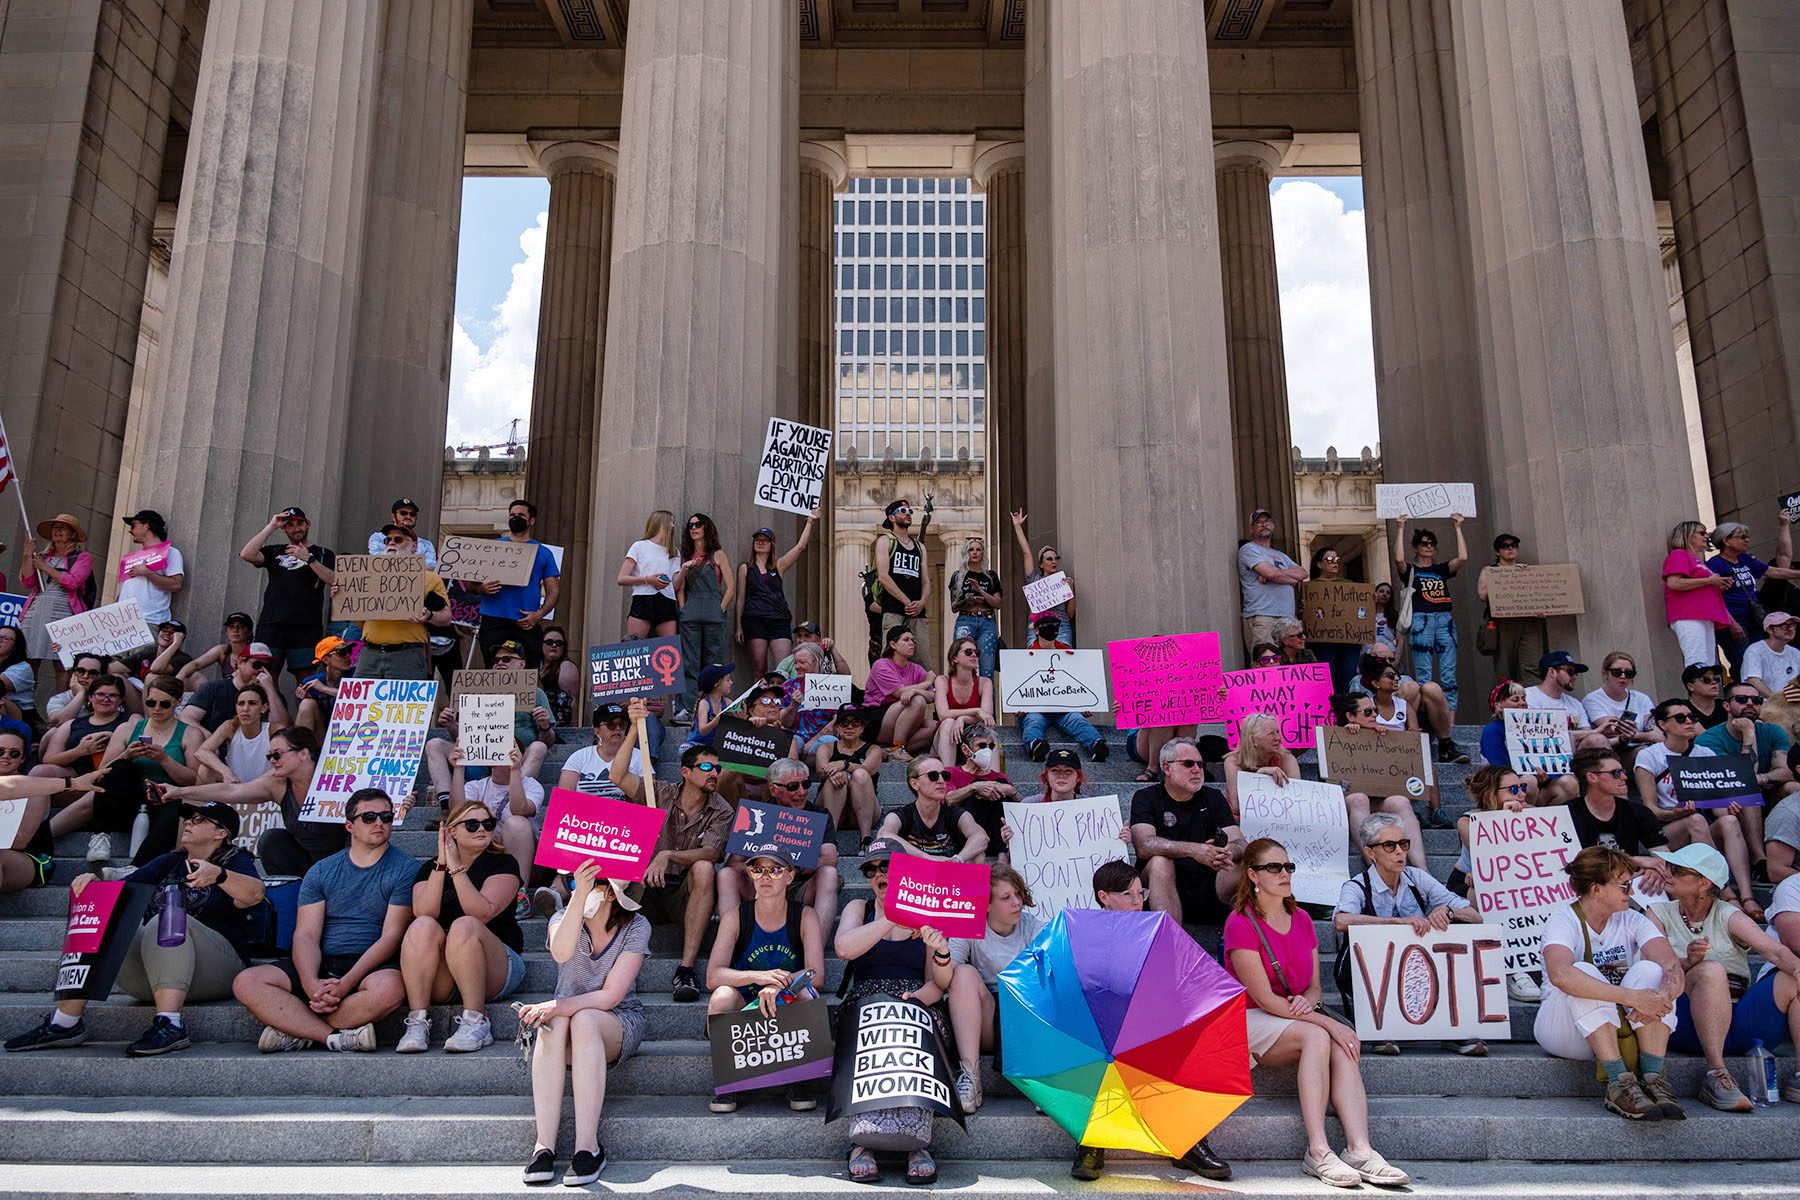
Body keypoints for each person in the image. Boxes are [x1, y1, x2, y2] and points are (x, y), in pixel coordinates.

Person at [4, 799, 268, 1056]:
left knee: (166, 918)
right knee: (103, 914)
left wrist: (219, 875)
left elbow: (255, 894)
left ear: (221, 832)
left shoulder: (235, 860)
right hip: (155, 975)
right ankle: (65, 1022)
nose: (188, 823)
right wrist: (93, 882)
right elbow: (123, 891)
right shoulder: (169, 862)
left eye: (199, 820)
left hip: (218, 970)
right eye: (188, 818)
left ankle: (170, 1024)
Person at [1224, 837, 1410, 1187]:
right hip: (1248, 1019)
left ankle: (1359, 1149)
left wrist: (1309, 1003)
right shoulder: (1240, 922)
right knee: (1319, 1034)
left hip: (1293, 1013)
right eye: (1274, 868)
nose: (1284, 873)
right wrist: (1322, 1019)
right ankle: (1318, 1150)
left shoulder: (1303, 918)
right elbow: (1263, 998)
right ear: (1253, 875)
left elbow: (1313, 986)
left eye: (1288, 866)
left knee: (1341, 1044)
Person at [1067, 860, 1234, 1182]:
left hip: (1153, 1017)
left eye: (1139, 892)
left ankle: (1189, 1141)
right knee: (1101, 1046)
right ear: (1103, 896)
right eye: (1127, 894)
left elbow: (1180, 978)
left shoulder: (1157, 928)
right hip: (1100, 1022)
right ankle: (1090, 1141)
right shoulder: (1084, 931)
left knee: (1182, 1040)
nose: (1137, 900)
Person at [232, 787, 415, 1053]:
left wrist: (346, 983)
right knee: (246, 981)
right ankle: (331, 1036)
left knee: (391, 989)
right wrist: (310, 983)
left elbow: (391, 936)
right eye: (369, 817)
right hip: (322, 960)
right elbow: (306, 934)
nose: (379, 822)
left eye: (386, 817)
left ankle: (296, 1027)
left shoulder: (406, 869)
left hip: (370, 963)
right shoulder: (322, 870)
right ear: (350, 825)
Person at [518, 861, 649, 1187]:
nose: (581, 887)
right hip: (564, 1022)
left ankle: (587, 1147)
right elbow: (561, 953)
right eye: (575, 882)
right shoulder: (562, 918)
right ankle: (543, 1146)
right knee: (559, 1022)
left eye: (591, 883)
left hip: (616, 1021)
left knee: (583, 1018)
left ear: (610, 892)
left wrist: (557, 1005)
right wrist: (577, 899)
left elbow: (610, 997)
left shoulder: (637, 925)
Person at [1532, 846, 1686, 1121]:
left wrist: (1661, 996)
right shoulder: (1563, 919)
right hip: (1564, 1030)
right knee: (1581, 972)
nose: (1631, 891)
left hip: (1619, 1020)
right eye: (1624, 885)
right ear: (1596, 889)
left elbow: (1672, 966)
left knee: (1652, 970)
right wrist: (1632, 998)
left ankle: (1652, 1077)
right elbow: (1560, 975)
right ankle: (1619, 1083)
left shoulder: (1632, 918)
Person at [834, 838, 953, 1185]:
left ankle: (916, 1144)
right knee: (873, 1027)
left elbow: (940, 984)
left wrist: (941, 953)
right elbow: (843, 948)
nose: (879, 873)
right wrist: (892, 916)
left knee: (914, 1029)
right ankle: (863, 1142)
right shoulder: (860, 907)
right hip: (865, 999)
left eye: (887, 866)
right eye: (872, 869)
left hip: (916, 998)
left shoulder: (930, 910)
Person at [1647, 843, 1800, 1112]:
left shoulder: (1727, 913)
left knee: (1791, 976)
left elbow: (1775, 951)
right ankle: (1716, 1074)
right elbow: (1649, 969)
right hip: (1685, 1021)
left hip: (1741, 1021)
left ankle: (1799, 1075)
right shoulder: (1656, 913)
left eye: (1677, 870)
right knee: (1710, 969)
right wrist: (1687, 963)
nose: (1667, 874)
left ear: (1704, 883)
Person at [1333, 812, 1487, 1055]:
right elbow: (1341, 920)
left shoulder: (1417, 878)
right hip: (1372, 971)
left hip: (1417, 968)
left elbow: (1475, 916)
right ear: (1370, 852)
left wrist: (1446, 911)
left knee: (1458, 932)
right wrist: (1396, 923)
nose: (1399, 852)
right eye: (1389, 845)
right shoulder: (1357, 885)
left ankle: (1455, 1029)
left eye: (1403, 844)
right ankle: (1381, 1027)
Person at [613, 699, 730, 1002]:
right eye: (706, 767)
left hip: (684, 894)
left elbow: (711, 854)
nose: (714, 773)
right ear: (686, 772)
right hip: (644, 890)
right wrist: (633, 731)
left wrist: (667, 856)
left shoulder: (721, 809)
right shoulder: (659, 791)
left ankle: (686, 969)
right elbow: (617, 777)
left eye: (717, 768)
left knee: (705, 869)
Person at [395, 799, 526, 1053]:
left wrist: (456, 868)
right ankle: (418, 1022)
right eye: (472, 824)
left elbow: (482, 914)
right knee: (422, 925)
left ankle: (477, 1021)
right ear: (451, 831)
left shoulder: (504, 864)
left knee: (465, 925)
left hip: (498, 964)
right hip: (448, 968)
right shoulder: (429, 869)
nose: (482, 829)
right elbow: (424, 912)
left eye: (488, 824)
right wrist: (442, 865)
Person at [705, 844, 825, 1113]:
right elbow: (713, 976)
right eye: (758, 870)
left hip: (786, 1000)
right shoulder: (736, 916)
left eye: (775, 870)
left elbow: (815, 974)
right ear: (749, 874)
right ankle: (729, 1082)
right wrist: (759, 977)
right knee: (721, 996)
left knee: (807, 993)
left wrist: (776, 986)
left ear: (790, 876)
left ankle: (799, 1079)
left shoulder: (805, 916)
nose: (765, 877)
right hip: (746, 1005)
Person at [157, 726, 346, 878]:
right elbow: (231, 790)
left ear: (303, 754)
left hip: (345, 863)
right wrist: (178, 791)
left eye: (277, 755)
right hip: (308, 864)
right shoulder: (277, 785)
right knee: (271, 840)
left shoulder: (338, 780)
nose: (272, 761)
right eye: (269, 756)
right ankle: (291, 896)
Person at [1632, 698, 1763, 919]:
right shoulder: (1649, 756)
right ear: (1663, 724)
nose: (1689, 722)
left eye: (1692, 717)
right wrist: (1675, 813)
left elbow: (1716, 807)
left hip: (1699, 826)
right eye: (1680, 718)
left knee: (1728, 822)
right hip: (1665, 831)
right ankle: (1724, 891)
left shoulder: (1704, 753)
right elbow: (1650, 809)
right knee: (1696, 821)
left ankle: (1748, 896)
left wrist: (1727, 808)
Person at [74, 674, 203, 865]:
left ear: (177, 702)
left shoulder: (190, 733)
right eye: (151, 703)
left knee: (177, 806)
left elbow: (194, 781)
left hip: (166, 800)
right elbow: (102, 772)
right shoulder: (127, 729)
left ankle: (138, 867)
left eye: (164, 704)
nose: (156, 709)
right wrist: (126, 755)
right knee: (120, 766)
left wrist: (164, 759)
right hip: (129, 799)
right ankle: (100, 835)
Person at [946, 864, 1041, 1113]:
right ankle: (970, 1076)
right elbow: (946, 975)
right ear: (986, 905)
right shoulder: (968, 923)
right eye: (1006, 897)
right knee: (963, 973)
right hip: (985, 1015)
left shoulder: (1031, 926)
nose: (1017, 902)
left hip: (1023, 1015)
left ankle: (1045, 1081)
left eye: (1018, 894)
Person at [716, 756, 843, 939]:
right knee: (725, 875)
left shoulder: (819, 814)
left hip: (799, 886)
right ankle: (734, 946)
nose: (801, 792)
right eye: (793, 786)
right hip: (760, 886)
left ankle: (814, 950)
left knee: (829, 874)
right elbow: (733, 863)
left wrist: (791, 869)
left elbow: (829, 859)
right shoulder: (756, 815)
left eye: (806, 784)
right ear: (773, 789)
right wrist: (767, 870)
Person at [1131, 738, 1243, 924]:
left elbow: (1240, 843)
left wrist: (1226, 852)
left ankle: (1251, 940)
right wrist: (1195, 850)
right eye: (1188, 764)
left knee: (1250, 859)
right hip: (1159, 887)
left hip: (1210, 883)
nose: (1197, 770)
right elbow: (1144, 844)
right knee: (1160, 862)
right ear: (1166, 768)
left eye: (1200, 764)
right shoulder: (1146, 797)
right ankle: (1172, 945)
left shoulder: (1213, 797)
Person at [1323, 695, 1432, 867]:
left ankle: (1422, 869)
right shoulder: (1336, 737)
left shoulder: (1383, 735)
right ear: (1350, 716)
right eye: (1367, 712)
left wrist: (1386, 739)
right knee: (1359, 798)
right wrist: (1347, 732)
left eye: (1375, 710)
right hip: (1349, 801)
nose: (1374, 715)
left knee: (1401, 802)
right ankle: (1373, 865)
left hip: (1378, 800)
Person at [238, 506, 337, 694]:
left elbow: (334, 579)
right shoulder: (275, 551)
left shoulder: (323, 553)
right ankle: (272, 720)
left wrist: (309, 559)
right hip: (272, 623)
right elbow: (246, 554)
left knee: (307, 681)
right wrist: (272, 525)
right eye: (289, 524)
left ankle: (304, 721)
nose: (296, 528)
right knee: (265, 676)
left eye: (299, 523)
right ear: (284, 528)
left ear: (307, 524)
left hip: (306, 625)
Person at [1697, 681, 1793, 867]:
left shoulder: (1772, 731)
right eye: (1741, 699)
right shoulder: (1709, 739)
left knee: (1793, 787)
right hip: (1727, 802)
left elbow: (1787, 771)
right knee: (1747, 790)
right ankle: (1760, 860)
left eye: (1756, 700)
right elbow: (1741, 777)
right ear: (1726, 705)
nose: (1750, 704)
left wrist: (1763, 778)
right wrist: (1749, 734)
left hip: (1769, 793)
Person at [349, 525, 450, 680]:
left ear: (414, 546)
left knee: (407, 705)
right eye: (388, 540)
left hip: (407, 656)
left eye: (398, 540)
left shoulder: (430, 578)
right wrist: (345, 596)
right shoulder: (368, 577)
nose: (391, 543)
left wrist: (428, 615)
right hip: (369, 654)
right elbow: (359, 623)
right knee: (363, 705)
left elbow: (446, 617)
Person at [1567, 747, 1673, 892]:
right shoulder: (1567, 814)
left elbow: (1663, 858)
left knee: (1657, 885)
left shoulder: (1638, 812)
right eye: (1615, 773)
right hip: (1585, 887)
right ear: (1592, 777)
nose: (1624, 777)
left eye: (1623, 771)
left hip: (1629, 881)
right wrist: (1634, 860)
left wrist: (1656, 870)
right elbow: (1574, 865)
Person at [1392, 512, 1466, 713]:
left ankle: (1449, 726)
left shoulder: (1441, 569)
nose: (1429, 546)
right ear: (1415, 547)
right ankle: (1430, 720)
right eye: (1424, 543)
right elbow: (1398, 558)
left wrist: (1458, 528)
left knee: (1448, 675)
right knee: (1424, 676)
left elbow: (1462, 558)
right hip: (1420, 619)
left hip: (1444, 620)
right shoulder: (1410, 570)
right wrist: (1400, 528)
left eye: (1432, 543)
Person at [473, 499, 559, 669]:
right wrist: (480, 588)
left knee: (528, 674)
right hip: (493, 621)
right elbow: (469, 583)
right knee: (493, 672)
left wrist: (539, 615)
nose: (515, 518)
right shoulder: (492, 548)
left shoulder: (544, 553)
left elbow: (554, 590)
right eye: (512, 515)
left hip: (527, 622)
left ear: (531, 520)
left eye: (520, 515)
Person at [1709, 517, 1800, 676]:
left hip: (1754, 617)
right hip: (1735, 619)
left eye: (1747, 536)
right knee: (1743, 661)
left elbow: (1774, 571)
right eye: (1742, 537)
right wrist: (1732, 624)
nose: (1747, 540)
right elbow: (1713, 598)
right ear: (1726, 541)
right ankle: (1742, 695)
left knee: (1762, 658)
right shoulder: (1715, 564)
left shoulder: (1746, 559)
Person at [736, 508, 817, 678]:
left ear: (771, 544)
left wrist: (810, 521)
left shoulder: (778, 566)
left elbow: (800, 547)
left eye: (765, 540)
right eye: (757, 540)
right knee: (759, 666)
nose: (760, 542)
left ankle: (786, 701)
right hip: (755, 619)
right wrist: (738, 626)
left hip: (778, 619)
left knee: (784, 667)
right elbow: (741, 598)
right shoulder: (745, 568)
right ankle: (759, 702)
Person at [1017, 615, 1108, 762]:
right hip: (1036, 709)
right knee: (1033, 722)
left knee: (1078, 720)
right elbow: (1019, 685)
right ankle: (1035, 746)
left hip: (1064, 709)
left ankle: (1096, 745)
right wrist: (1017, 704)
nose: (1052, 628)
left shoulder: (1069, 654)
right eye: (1047, 625)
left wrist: (1085, 703)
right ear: (1036, 631)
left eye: (1055, 625)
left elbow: (1079, 681)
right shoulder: (1025, 657)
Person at [19, 512, 95, 691]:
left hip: (65, 611)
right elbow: (27, 582)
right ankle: (26, 706)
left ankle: (60, 708)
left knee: (62, 663)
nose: (58, 530)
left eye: (63, 528)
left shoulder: (82, 557)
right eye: (55, 527)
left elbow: (73, 582)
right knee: (30, 661)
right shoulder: (43, 556)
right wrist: (27, 555)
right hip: (37, 609)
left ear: (73, 534)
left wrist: (46, 568)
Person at [447, 743, 541, 886]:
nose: (507, 753)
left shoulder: (532, 785)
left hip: (524, 857)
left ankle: (520, 892)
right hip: (485, 851)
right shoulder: (475, 786)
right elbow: (457, 812)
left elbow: (519, 810)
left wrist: (515, 770)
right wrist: (459, 768)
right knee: (462, 824)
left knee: (517, 822)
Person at [878, 755, 989, 861]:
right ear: (915, 784)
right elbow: (883, 835)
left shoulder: (954, 813)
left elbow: (981, 837)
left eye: (945, 775)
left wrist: (958, 859)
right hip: (914, 875)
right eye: (933, 775)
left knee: (978, 855)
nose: (941, 781)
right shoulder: (902, 814)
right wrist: (927, 858)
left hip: (948, 872)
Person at [675, 512, 733, 714]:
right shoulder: (685, 557)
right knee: (689, 662)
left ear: (706, 527)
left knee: (714, 662)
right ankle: (688, 707)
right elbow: (679, 587)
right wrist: (683, 609)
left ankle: (712, 707)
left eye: (698, 524)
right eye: (690, 525)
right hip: (691, 614)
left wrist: (721, 608)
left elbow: (731, 586)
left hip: (713, 613)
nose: (693, 528)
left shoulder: (718, 555)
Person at [32, 674, 127, 797]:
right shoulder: (72, 724)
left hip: (109, 777)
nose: (106, 699)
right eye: (100, 694)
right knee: (39, 771)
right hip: (75, 775)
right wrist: (80, 751)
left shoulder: (130, 720)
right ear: (90, 697)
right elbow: (49, 759)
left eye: (113, 695)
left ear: (121, 700)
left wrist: (114, 736)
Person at [1475, 532, 1548, 685]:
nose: (1510, 549)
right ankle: (1508, 702)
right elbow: (1482, 595)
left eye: (1513, 546)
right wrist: (1507, 575)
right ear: (1497, 552)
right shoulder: (1490, 570)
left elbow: (1539, 594)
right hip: (1503, 622)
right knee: (1505, 667)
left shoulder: (1526, 570)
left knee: (1531, 664)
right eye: (1505, 546)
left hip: (1528, 621)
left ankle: (1532, 703)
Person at [1662, 520, 1734, 669]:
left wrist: (1718, 583)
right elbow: (1674, 583)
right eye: (1701, 533)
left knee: (1708, 663)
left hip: (1704, 615)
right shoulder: (1679, 555)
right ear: (1688, 535)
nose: (1706, 536)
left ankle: (1704, 691)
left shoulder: (1698, 560)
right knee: (1697, 661)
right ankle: (1698, 691)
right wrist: (1709, 581)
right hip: (1688, 614)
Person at [1237, 507, 1305, 659]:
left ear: (1272, 525)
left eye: (1266, 521)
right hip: (1263, 615)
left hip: (1286, 617)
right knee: (1265, 665)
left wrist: (1274, 576)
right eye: (1258, 522)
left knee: (1287, 665)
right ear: (1251, 529)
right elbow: (1272, 573)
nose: (1263, 524)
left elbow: (1303, 573)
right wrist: (1277, 575)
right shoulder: (1248, 549)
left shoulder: (1280, 555)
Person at [815, 704, 883, 852]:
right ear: (838, 728)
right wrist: (838, 771)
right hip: (830, 805)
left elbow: (868, 769)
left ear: (862, 728)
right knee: (838, 776)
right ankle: (830, 838)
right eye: (844, 723)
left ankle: (866, 839)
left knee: (860, 774)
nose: (849, 727)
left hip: (862, 811)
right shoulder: (826, 747)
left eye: (855, 723)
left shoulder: (873, 749)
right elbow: (821, 770)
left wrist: (844, 764)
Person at [864, 626, 937, 756]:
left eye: (913, 640)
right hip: (876, 719)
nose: (911, 643)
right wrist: (927, 682)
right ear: (893, 644)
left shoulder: (917, 668)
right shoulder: (881, 665)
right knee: (918, 701)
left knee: (936, 727)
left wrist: (915, 691)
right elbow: (900, 692)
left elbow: (932, 697)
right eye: (906, 640)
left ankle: (892, 750)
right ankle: (898, 748)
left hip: (903, 720)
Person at [944, 723, 1015, 857]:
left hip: (995, 832)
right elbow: (948, 799)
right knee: (979, 785)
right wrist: (974, 787)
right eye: (982, 746)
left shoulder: (999, 777)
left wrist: (1012, 791)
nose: (987, 750)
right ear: (965, 750)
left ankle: (1002, 854)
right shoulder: (950, 772)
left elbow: (1022, 806)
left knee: (1000, 783)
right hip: (962, 834)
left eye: (991, 746)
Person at [192, 683, 285, 786]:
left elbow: (287, 763)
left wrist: (255, 784)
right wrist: (226, 771)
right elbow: (201, 752)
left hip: (265, 787)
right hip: (235, 785)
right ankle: (202, 802)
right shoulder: (230, 726)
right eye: (241, 703)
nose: (245, 708)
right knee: (204, 770)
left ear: (264, 708)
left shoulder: (273, 729)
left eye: (252, 703)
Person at [872, 497, 930, 660]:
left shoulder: (920, 547)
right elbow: (883, 576)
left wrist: (922, 602)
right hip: (893, 609)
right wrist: (907, 602)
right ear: (891, 517)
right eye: (902, 511)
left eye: (909, 511)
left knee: (923, 659)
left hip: (918, 612)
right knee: (891, 658)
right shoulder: (885, 541)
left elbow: (925, 580)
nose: (907, 514)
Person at [1011, 508, 1075, 645]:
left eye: (1056, 558)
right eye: (1049, 559)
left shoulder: (1064, 582)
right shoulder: (1034, 580)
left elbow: (1070, 614)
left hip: (1061, 626)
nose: (1054, 562)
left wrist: (1072, 592)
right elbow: (1026, 553)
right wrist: (1017, 526)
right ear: (1041, 564)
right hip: (1037, 626)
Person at [1527, 651, 1611, 752]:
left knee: (1597, 740)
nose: (1574, 677)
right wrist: (1597, 730)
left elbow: (1588, 734)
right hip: (1543, 754)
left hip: (1576, 756)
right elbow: (1541, 734)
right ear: (1552, 672)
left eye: (1576, 673)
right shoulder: (1528, 697)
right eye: (1570, 671)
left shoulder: (1575, 703)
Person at [1304, 546, 1363, 691]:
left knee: (1348, 677)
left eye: (1337, 559)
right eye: (1330, 559)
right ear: (1319, 564)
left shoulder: (1349, 585)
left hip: (1349, 641)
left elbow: (1360, 611)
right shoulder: (1310, 587)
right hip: (1323, 641)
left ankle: (1346, 709)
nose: (1335, 562)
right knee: (1327, 678)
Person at [1582, 651, 1662, 755]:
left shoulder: (1641, 698)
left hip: (1645, 748)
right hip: (1613, 752)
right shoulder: (1592, 699)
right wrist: (1650, 736)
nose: (1623, 676)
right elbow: (1615, 730)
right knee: (1642, 753)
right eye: (1617, 672)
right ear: (1606, 673)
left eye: (1629, 673)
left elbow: (1652, 724)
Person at [115, 509, 184, 626]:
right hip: (123, 624)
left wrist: (147, 573)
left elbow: (176, 584)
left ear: (146, 526)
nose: (130, 531)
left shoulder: (171, 552)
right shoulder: (132, 557)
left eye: (133, 525)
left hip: (149, 621)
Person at [933, 635, 995, 765]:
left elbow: (986, 716)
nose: (974, 655)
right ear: (954, 658)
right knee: (949, 722)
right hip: (946, 735)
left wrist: (962, 719)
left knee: (987, 727)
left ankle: (993, 778)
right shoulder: (942, 680)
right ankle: (948, 775)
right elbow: (943, 714)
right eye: (968, 652)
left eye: (976, 652)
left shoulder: (984, 682)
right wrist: (976, 710)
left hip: (973, 734)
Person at [948, 533, 1003, 677]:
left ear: (983, 553)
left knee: (987, 670)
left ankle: (987, 699)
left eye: (978, 549)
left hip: (987, 621)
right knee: (962, 665)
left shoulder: (990, 576)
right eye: (971, 549)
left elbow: (998, 603)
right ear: (966, 552)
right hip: (966, 620)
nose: (974, 552)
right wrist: (968, 600)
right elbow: (954, 607)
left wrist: (981, 591)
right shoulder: (958, 576)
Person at [618, 509, 679, 640]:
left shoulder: (673, 551)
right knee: (634, 646)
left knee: (668, 650)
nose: (673, 526)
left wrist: (685, 569)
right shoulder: (639, 546)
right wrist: (648, 580)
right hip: (643, 598)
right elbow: (621, 578)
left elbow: (676, 584)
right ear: (661, 522)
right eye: (671, 522)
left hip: (667, 600)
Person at [294, 635, 354, 733]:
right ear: (326, 660)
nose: (348, 656)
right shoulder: (310, 682)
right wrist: (306, 697)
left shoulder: (356, 675)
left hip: (351, 732)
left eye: (349, 650)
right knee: (307, 704)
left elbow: (358, 699)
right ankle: (301, 747)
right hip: (323, 733)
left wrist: (324, 689)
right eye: (342, 653)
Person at [366, 497, 439, 567]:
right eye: (403, 513)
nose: (408, 516)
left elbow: (431, 568)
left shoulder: (426, 545)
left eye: (412, 514)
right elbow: (378, 563)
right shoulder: (378, 537)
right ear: (393, 517)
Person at [1743, 610, 1800, 698]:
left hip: (1791, 704)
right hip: (1765, 705)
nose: (1791, 629)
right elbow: (1754, 681)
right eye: (1784, 626)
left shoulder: (1795, 653)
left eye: (1792, 625)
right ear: (1769, 629)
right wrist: (1777, 700)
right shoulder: (1755, 650)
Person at [537, 626, 579, 726]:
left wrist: (573, 730)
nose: (554, 645)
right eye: (549, 642)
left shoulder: (566, 667)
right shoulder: (537, 665)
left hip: (558, 724)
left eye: (559, 643)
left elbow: (573, 702)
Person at [0, 626, 40, 734]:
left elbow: (1, 686)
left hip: (18, 714)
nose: (0, 640)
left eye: (4, 638)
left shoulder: (23, 667)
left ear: (15, 646)